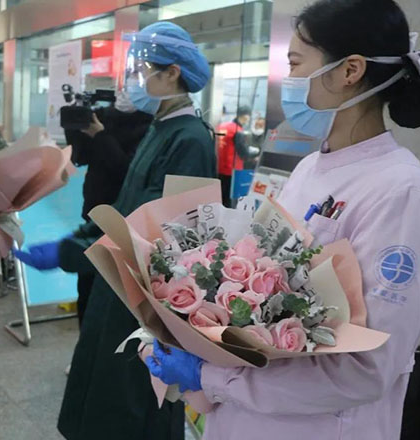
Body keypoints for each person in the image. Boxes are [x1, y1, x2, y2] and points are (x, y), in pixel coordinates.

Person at [143, 1, 420, 440]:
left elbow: (367, 368)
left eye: (295, 63)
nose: (287, 79)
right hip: (247, 417)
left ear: (349, 70)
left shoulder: (399, 188)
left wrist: (214, 378)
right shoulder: (310, 168)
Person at [17, 22, 216, 439]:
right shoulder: (161, 129)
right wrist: (79, 237)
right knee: (100, 396)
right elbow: (128, 205)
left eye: (143, 70)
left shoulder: (190, 140)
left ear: (172, 73)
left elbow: (161, 234)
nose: (134, 80)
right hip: (118, 284)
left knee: (128, 408)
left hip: (142, 293)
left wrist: (71, 253)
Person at [63, 95, 153, 326]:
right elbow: (80, 157)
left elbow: (127, 172)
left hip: (126, 217)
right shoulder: (102, 116)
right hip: (93, 211)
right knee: (86, 284)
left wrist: (101, 135)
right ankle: (84, 334)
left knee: (117, 292)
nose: (125, 92)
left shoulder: (150, 127)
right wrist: (74, 129)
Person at [216, 105, 256, 207]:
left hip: (219, 168)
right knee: (230, 200)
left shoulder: (223, 126)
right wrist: (255, 153)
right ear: (246, 116)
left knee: (221, 197)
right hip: (232, 170)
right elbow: (243, 153)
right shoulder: (237, 130)